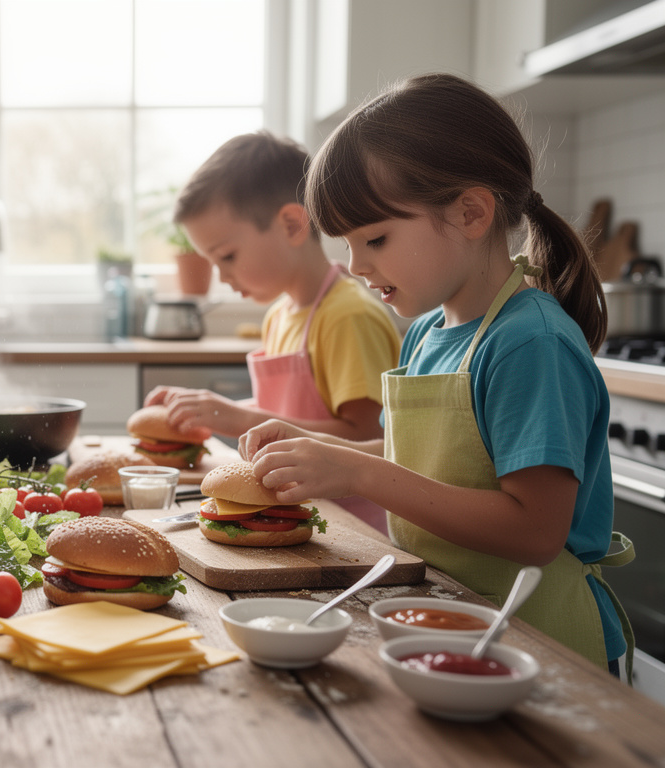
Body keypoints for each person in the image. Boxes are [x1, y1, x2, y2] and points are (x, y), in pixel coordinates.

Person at [240, 73, 634, 675]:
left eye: (375, 237)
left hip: (539, 644)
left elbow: (535, 530)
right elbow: (427, 459)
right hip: (455, 619)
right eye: (346, 243)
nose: (355, 265)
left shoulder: (531, 344)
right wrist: (316, 450)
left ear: (471, 213)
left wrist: (355, 470)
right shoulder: (429, 330)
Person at [146, 131, 401, 532]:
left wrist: (239, 417)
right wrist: (210, 412)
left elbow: (370, 438)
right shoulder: (280, 315)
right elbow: (289, 413)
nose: (222, 277)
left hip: (353, 532)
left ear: (291, 223)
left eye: (227, 256)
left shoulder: (348, 316)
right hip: (294, 518)